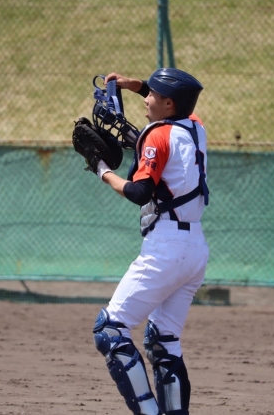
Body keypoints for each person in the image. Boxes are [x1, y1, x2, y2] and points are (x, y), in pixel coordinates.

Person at [91, 68, 209, 415]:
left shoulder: (157, 136)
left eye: (153, 95)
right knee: (163, 341)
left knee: (110, 330)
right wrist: (133, 85)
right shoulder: (195, 126)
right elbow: (169, 118)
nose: (146, 99)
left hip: (166, 249)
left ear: (169, 103)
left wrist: (101, 170)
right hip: (195, 249)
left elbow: (139, 192)